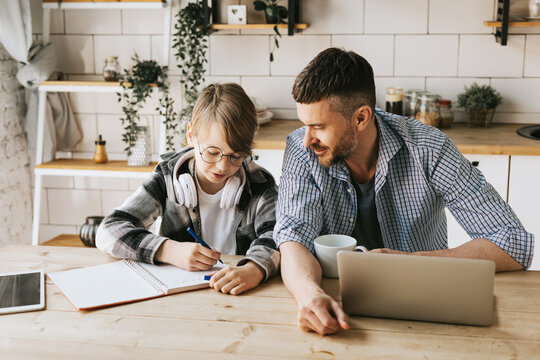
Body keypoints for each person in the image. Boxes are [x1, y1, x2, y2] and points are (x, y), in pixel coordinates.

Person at [274, 47, 534, 335]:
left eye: (318, 126)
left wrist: (409, 262)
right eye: (304, 124)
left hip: (420, 302)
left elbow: (513, 243)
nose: (308, 139)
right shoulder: (301, 149)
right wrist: (308, 295)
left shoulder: (429, 149)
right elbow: (292, 235)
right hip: (332, 301)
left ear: (361, 118)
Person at [96, 82, 279, 295]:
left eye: (236, 156)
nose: (223, 166)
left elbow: (279, 238)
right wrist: (168, 250)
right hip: (180, 297)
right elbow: (108, 231)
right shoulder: (166, 177)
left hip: (239, 293)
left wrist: (253, 269)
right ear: (191, 135)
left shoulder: (261, 183)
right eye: (212, 152)